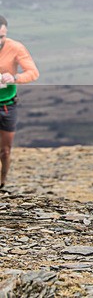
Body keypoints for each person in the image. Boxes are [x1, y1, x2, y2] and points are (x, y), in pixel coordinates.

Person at [0, 15, 40, 191]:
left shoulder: (15, 48)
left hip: (7, 104)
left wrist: (14, 78)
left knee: (5, 150)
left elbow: (33, 72)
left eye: (1, 36)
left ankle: (2, 181)